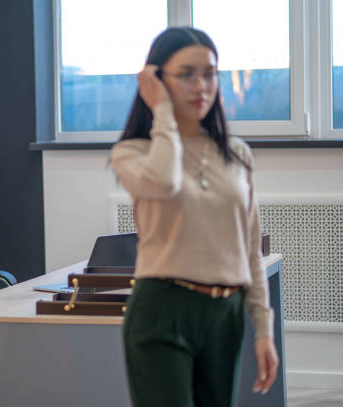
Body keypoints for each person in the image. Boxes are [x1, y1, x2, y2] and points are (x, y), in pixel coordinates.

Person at [110, 27, 279, 406]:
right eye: (186, 74)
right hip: (163, 309)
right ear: (154, 79)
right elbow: (164, 183)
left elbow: (250, 248)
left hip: (226, 314)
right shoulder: (133, 153)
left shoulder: (236, 153)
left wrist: (264, 330)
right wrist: (163, 112)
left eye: (210, 73)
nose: (201, 85)